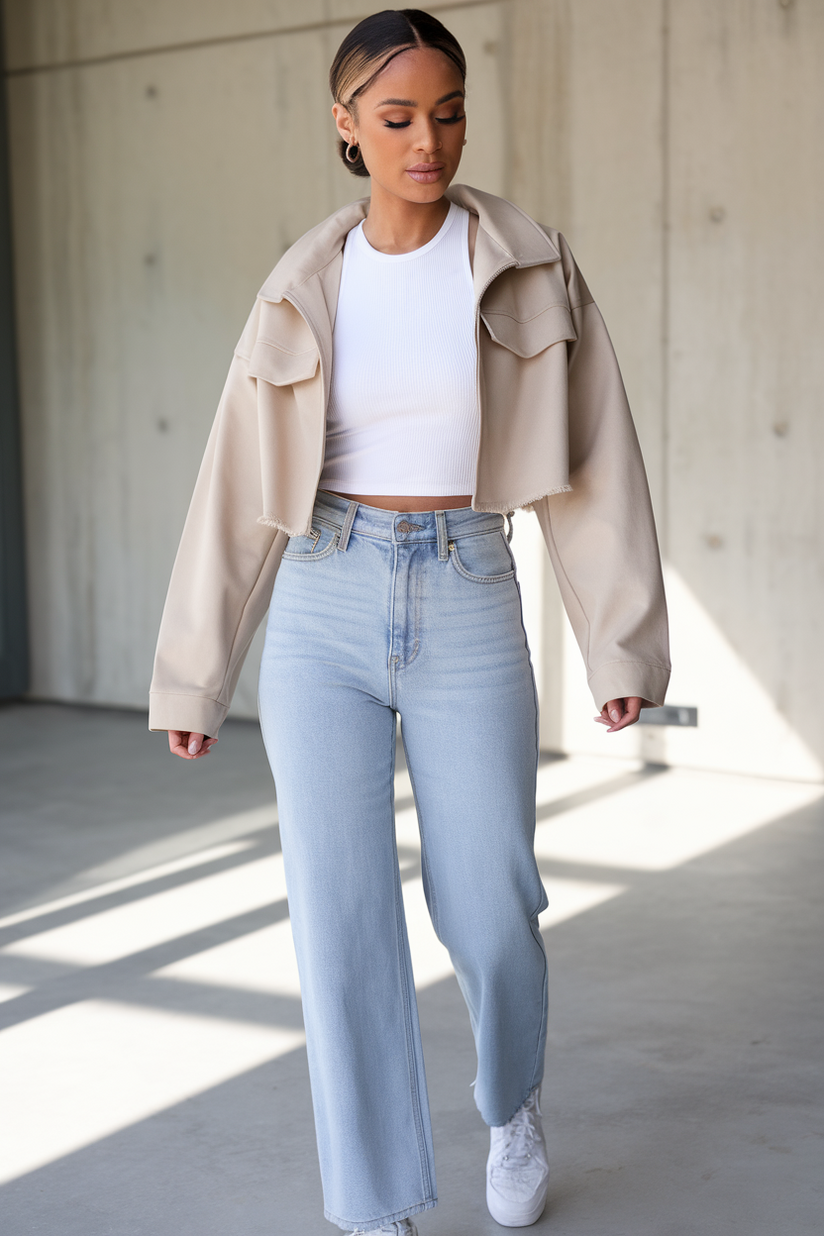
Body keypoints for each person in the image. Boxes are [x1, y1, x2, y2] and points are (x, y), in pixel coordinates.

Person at [149, 9, 670, 1232]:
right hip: (324, 596)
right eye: (394, 119)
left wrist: (620, 641)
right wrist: (195, 672)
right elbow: (235, 485)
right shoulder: (299, 287)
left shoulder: (527, 263)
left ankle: (509, 1105)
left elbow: (595, 465)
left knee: (490, 898)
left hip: (468, 585)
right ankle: (372, 1197)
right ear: (344, 126)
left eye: (446, 114)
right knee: (336, 913)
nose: (425, 142)